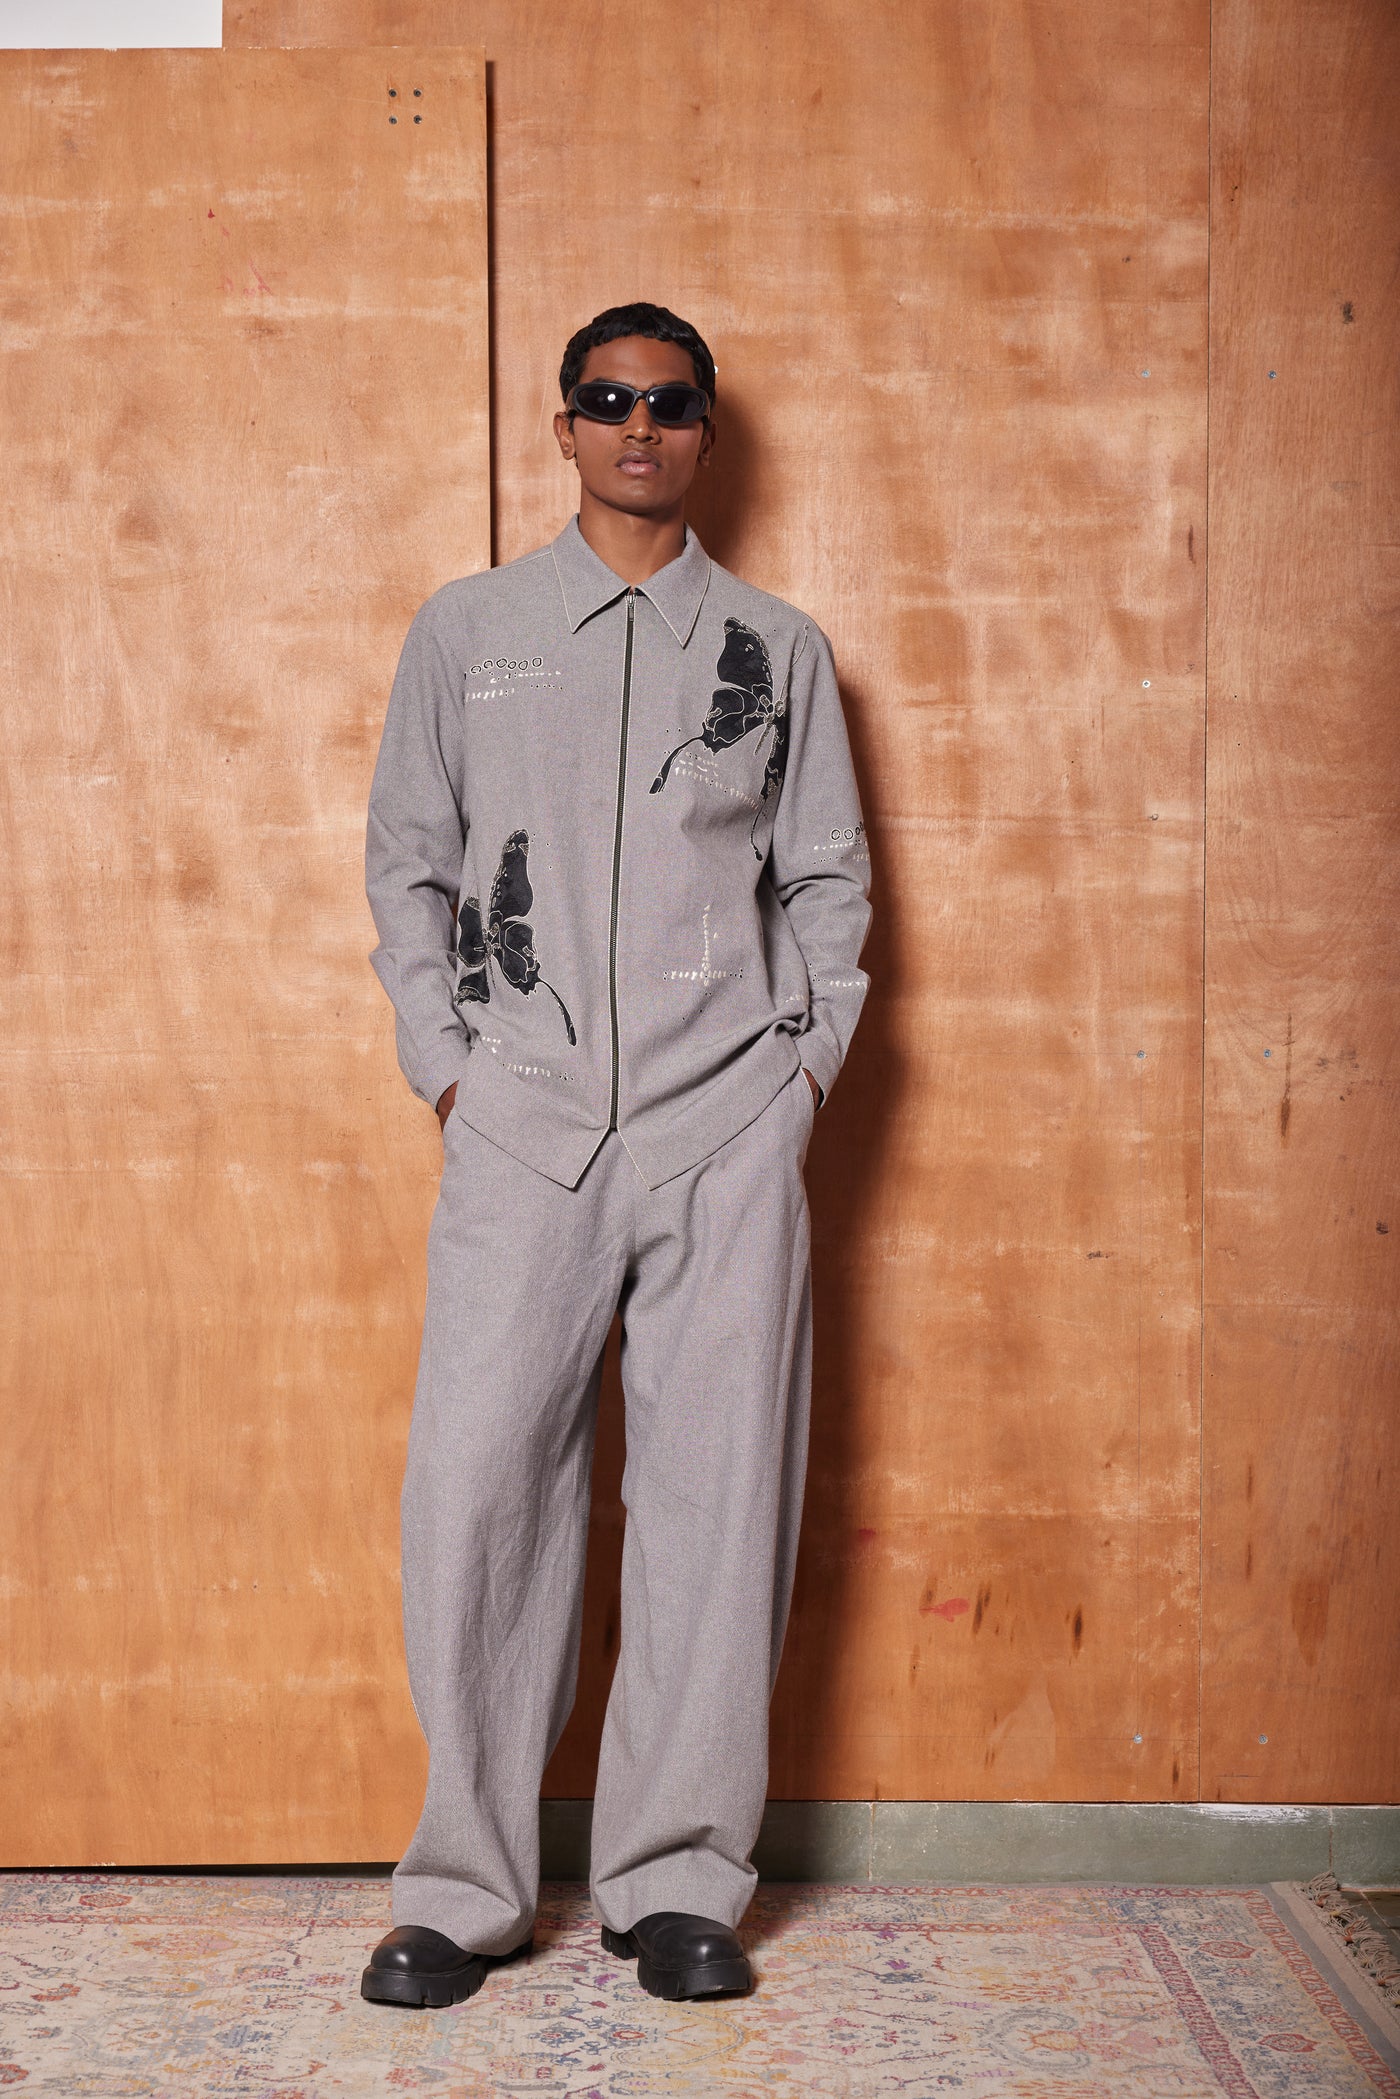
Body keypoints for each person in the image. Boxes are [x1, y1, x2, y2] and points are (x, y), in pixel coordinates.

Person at [358, 302, 872, 2010]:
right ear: (565, 425)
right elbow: (409, 863)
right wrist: (451, 1072)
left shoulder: (778, 650)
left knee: (722, 1500)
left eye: (669, 402)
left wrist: (796, 1084)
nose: (638, 426)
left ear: (705, 431)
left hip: (725, 1127)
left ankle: (678, 1881)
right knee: (480, 1492)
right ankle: (467, 1886)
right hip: (521, 1127)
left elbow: (828, 884)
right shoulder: (472, 631)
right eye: (607, 399)